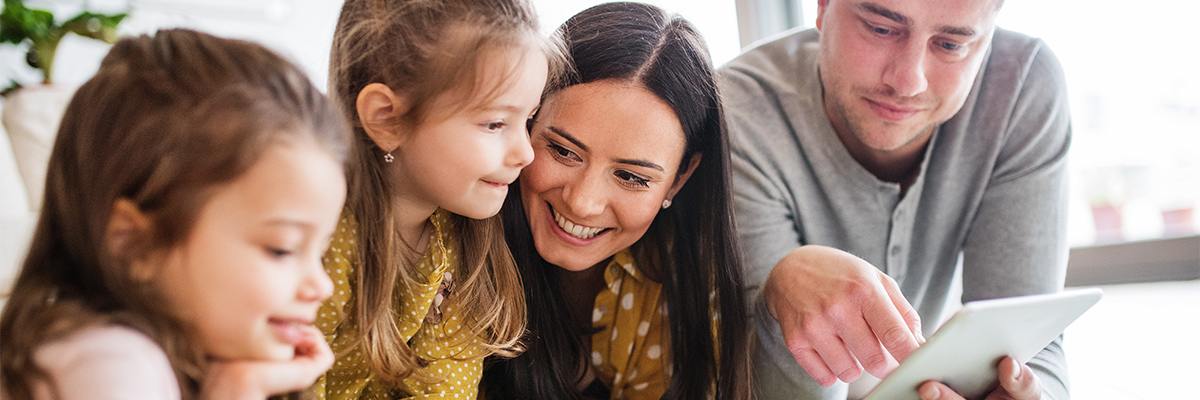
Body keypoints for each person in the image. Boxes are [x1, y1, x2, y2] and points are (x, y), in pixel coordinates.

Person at [718, 0, 1072, 399]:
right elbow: (750, 386)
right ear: (821, 6)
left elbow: (1035, 352)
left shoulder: (1023, 87)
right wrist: (782, 291)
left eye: (951, 45)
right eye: (880, 28)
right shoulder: (733, 114)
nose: (908, 81)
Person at [0, 29, 350, 399]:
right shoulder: (112, 364)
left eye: (321, 252)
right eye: (282, 249)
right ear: (135, 243)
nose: (322, 286)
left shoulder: (182, 354)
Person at [481, 3, 750, 399]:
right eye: (563, 151)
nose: (583, 203)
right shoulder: (456, 252)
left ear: (679, 179)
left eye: (630, 177)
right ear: (527, 120)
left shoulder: (688, 283)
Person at [312, 0, 563, 398]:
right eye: (495, 123)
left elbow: (446, 388)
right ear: (387, 119)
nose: (526, 153)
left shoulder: (460, 234)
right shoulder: (319, 240)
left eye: (528, 120)